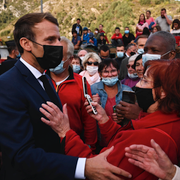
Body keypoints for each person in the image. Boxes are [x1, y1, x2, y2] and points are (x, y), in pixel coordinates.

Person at [0, 12, 127, 180]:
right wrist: (83, 166)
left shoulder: (43, 77)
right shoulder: (8, 85)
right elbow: (22, 155)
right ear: (26, 44)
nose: (58, 45)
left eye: (59, 39)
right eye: (50, 40)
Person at [40, 59, 180, 180]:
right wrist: (105, 121)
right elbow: (123, 139)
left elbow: (99, 170)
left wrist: (66, 133)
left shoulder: (148, 138)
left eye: (144, 81)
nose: (137, 85)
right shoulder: (169, 122)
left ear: (163, 93)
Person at [47, 37, 97, 151]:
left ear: (70, 59)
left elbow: (89, 118)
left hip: (72, 143)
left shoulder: (81, 83)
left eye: (59, 56)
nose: (54, 59)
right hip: (43, 146)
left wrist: (90, 145)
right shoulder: (39, 79)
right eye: (51, 55)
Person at [116, 31, 176, 122]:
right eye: (145, 50)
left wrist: (140, 116)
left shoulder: (175, 84)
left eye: (154, 50)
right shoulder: (144, 77)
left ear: (171, 55)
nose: (147, 55)